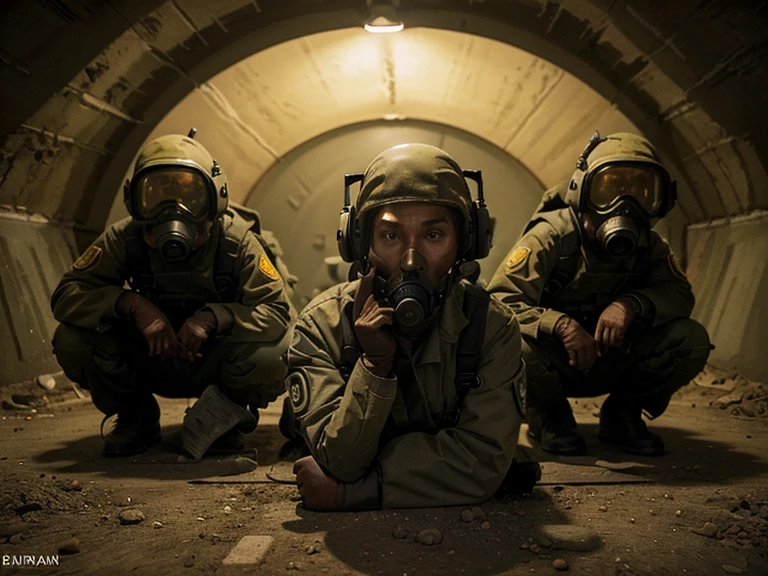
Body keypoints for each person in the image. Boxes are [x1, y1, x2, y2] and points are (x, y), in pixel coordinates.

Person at [285, 143, 528, 511]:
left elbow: (482, 458)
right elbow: (342, 460)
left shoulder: (491, 328)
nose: (411, 261)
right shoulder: (322, 326)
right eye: (391, 236)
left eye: (433, 236)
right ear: (360, 242)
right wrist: (374, 366)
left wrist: (358, 490)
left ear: (465, 243)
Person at [50, 132, 295, 458]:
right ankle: (136, 417)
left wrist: (212, 319)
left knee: (276, 352)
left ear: (215, 199)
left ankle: (223, 416)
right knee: (71, 340)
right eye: (158, 196)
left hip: (215, 362)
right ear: (135, 201)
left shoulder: (236, 241)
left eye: (188, 196)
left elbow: (277, 311)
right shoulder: (126, 238)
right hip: (153, 357)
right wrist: (134, 305)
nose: (173, 211)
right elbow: (68, 294)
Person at [487, 131, 712, 457]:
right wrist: (560, 325)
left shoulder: (650, 247)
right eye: (609, 190)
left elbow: (679, 294)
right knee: (512, 343)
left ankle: (622, 413)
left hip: (613, 358)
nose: (624, 205)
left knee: (689, 338)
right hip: (557, 363)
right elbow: (499, 301)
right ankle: (549, 416)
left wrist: (632, 305)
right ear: (582, 191)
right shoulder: (550, 237)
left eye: (640, 192)